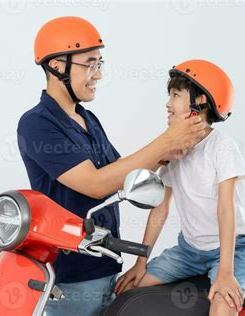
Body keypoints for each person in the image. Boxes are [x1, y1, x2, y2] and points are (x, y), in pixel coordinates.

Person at [17, 17, 206, 316]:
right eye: (90, 64)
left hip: (107, 265)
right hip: (74, 274)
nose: (99, 74)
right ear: (56, 66)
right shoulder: (37, 124)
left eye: (99, 63)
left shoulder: (87, 119)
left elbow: (123, 175)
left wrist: (172, 149)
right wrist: (167, 139)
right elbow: (96, 184)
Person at [114, 59, 245, 316]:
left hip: (233, 250)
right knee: (131, 290)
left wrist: (225, 272)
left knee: (222, 306)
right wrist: (141, 261)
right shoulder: (174, 150)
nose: (167, 104)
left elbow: (226, 209)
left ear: (200, 101)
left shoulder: (221, 147)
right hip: (189, 251)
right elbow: (159, 209)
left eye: (175, 95)